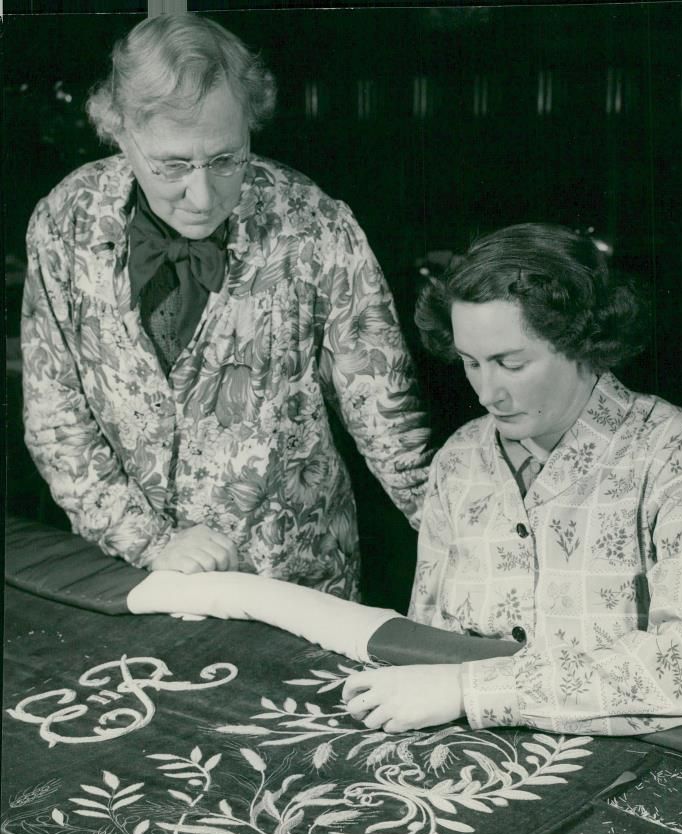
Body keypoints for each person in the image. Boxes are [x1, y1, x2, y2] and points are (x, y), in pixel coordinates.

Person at [21, 13, 433, 599]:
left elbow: (388, 418)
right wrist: (149, 540)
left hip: (293, 580)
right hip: (123, 575)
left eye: (225, 159)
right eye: (173, 166)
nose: (203, 194)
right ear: (120, 132)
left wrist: (470, 531)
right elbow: (54, 413)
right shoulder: (66, 220)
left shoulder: (315, 225)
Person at [339, 223, 682, 735]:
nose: (488, 393)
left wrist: (471, 691)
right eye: (471, 363)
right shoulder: (459, 460)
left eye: (510, 364)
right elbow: (425, 644)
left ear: (583, 341)